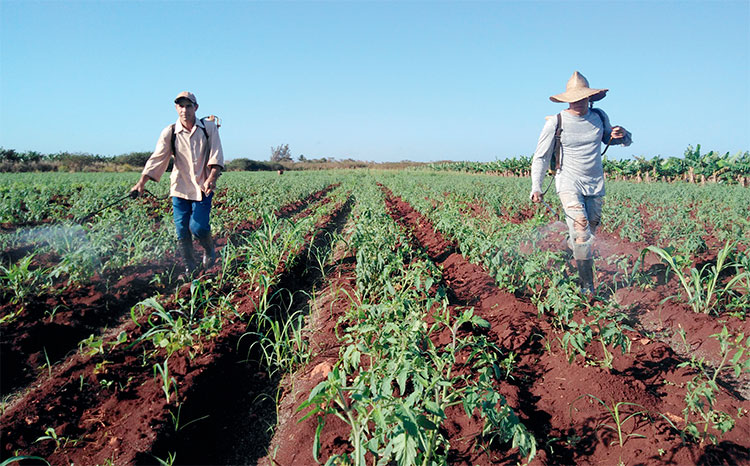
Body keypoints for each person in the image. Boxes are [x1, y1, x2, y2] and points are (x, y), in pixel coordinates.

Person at [529, 71, 632, 294]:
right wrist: (536, 186)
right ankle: (587, 287)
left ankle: (570, 246)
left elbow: (611, 139)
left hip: (594, 182)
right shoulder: (556, 122)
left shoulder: (599, 117)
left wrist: (621, 134)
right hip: (568, 180)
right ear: (568, 100)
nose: (578, 102)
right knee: (582, 229)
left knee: (589, 232)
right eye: (573, 99)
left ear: (589, 98)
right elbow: (541, 156)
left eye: (582, 98)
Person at [131, 91, 224, 277]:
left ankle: (208, 249)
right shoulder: (170, 132)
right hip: (180, 187)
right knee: (182, 230)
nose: (184, 110)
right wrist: (141, 183)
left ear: (195, 108)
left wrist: (212, 177)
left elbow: (216, 155)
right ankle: (190, 268)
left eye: (189, 106)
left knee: (197, 227)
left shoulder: (208, 128)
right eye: (181, 106)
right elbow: (157, 158)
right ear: (176, 108)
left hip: (202, 187)